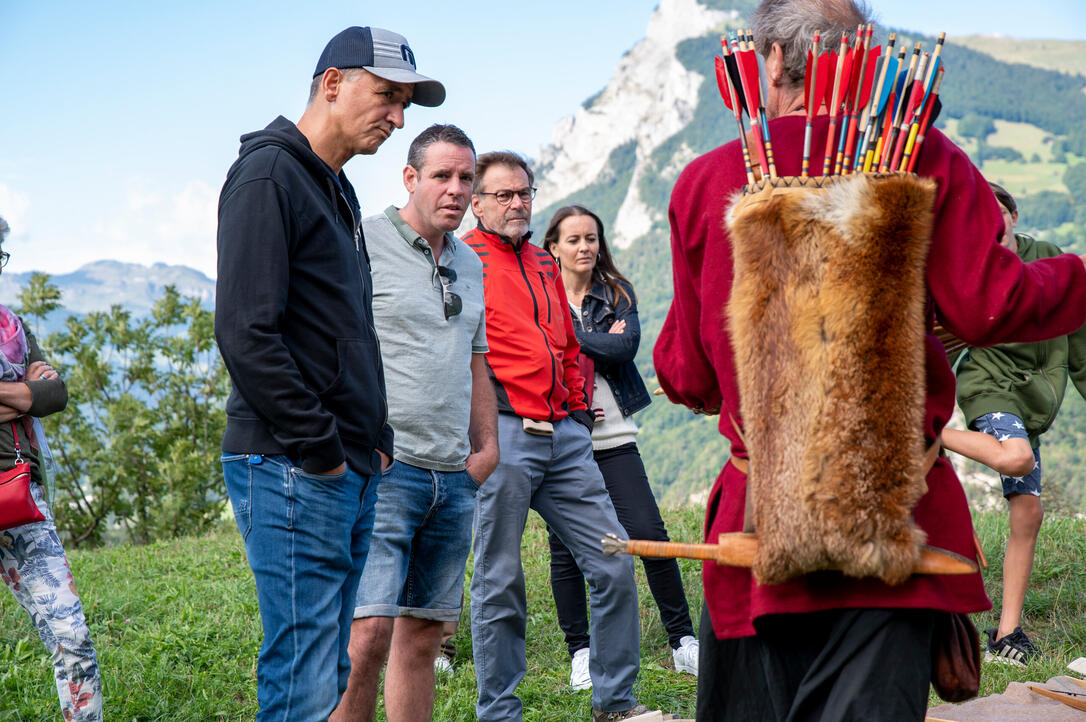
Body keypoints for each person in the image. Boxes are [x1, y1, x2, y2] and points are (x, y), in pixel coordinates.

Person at [652, 1, 1086, 720]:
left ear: (769, 62)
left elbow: (687, 372)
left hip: (760, 530)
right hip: (895, 524)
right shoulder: (923, 156)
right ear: (864, 66)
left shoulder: (707, 180)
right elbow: (990, 306)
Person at [214, 26, 445, 720]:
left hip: (344, 463)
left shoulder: (332, 188)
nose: (399, 117)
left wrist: (370, 440)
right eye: (387, 96)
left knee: (326, 664)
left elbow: (344, 332)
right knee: (304, 670)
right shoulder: (268, 176)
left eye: (407, 103)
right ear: (333, 83)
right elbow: (245, 332)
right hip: (293, 465)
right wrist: (319, 448)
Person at [464, 153, 652, 722]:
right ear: (477, 203)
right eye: (503, 195)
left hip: (564, 437)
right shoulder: (462, 258)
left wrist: (573, 410)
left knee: (614, 561)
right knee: (499, 579)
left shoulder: (546, 263)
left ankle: (615, 702)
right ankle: (500, 713)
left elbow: (567, 343)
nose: (517, 203)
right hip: (502, 431)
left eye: (524, 192)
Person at [331, 124, 498, 722]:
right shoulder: (364, 244)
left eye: (465, 179)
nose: (455, 189)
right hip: (386, 467)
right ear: (410, 178)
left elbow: (477, 356)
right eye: (441, 176)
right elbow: (334, 345)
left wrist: (487, 446)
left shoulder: (471, 263)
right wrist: (357, 440)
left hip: (454, 473)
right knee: (367, 634)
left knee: (424, 635)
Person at [542, 205, 698, 690]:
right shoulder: (541, 294)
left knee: (650, 531)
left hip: (614, 437)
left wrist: (571, 340)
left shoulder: (616, 292)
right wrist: (591, 340)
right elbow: (540, 352)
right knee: (565, 547)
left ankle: (682, 642)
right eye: (574, 240)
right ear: (554, 248)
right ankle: (581, 653)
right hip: (564, 434)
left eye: (592, 238)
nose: (585, 247)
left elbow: (625, 348)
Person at [942, 182, 1086, 666]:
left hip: (1034, 405)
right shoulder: (966, 271)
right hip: (991, 390)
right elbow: (941, 341)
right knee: (1017, 455)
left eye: (997, 210)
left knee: (1028, 512)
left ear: (1014, 216)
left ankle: (1007, 635)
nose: (990, 218)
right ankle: (926, 431)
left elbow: (1080, 339)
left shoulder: (1046, 256)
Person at [0, 217, 102, 722]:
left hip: (19, 498)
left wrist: (28, 395)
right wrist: (24, 394)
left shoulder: (12, 328)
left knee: (73, 638)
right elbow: (35, 394)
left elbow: (54, 394)